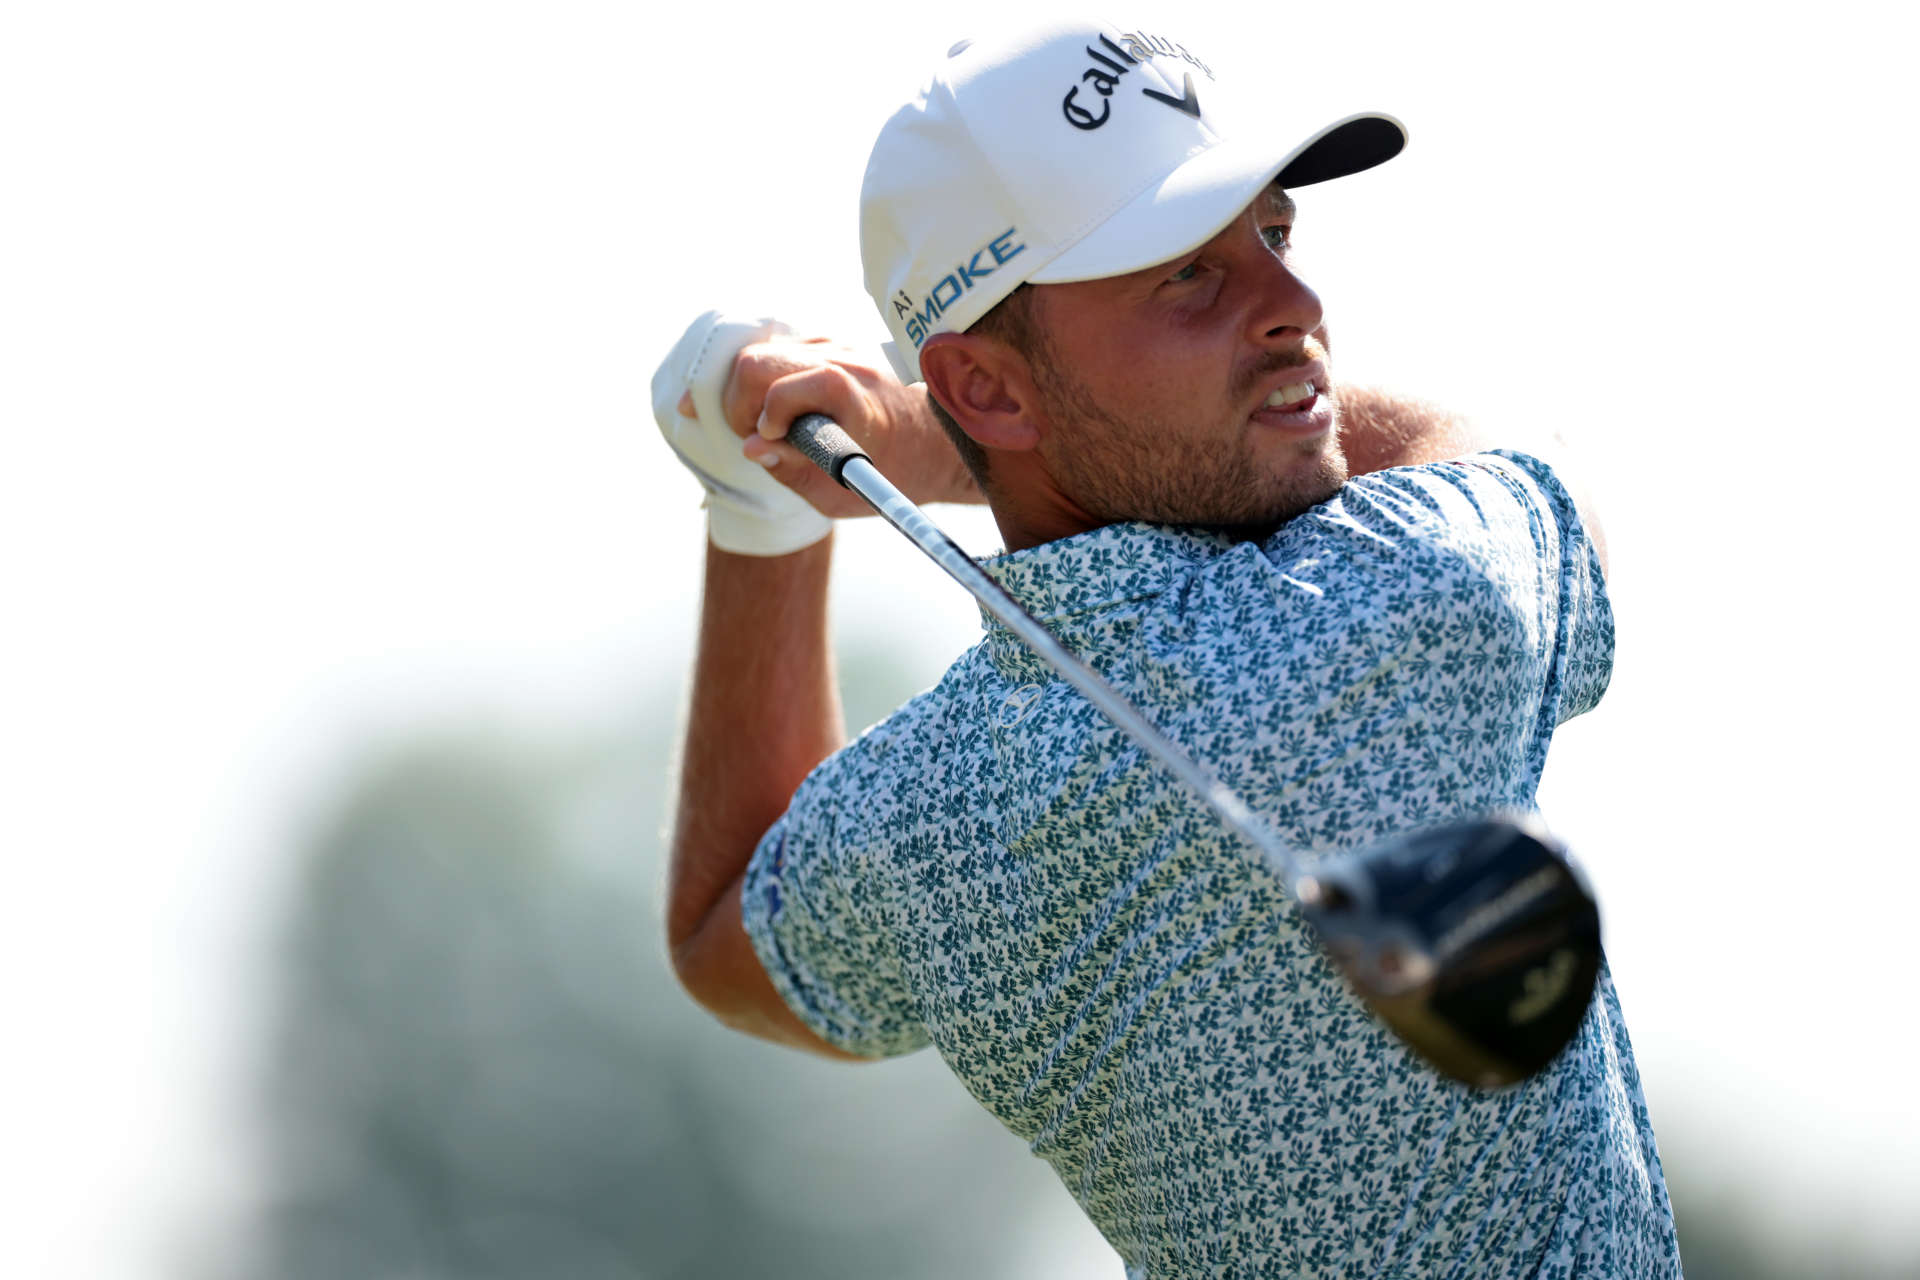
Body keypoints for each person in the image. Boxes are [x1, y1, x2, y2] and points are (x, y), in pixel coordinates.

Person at [653, 17, 1680, 1278]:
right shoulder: (1403, 602)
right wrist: (915, 449)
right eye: (1189, 274)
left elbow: (722, 933)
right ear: (984, 387)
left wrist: (762, 508)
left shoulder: (928, 814)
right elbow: (1508, 445)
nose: (1294, 306)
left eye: (1275, 235)